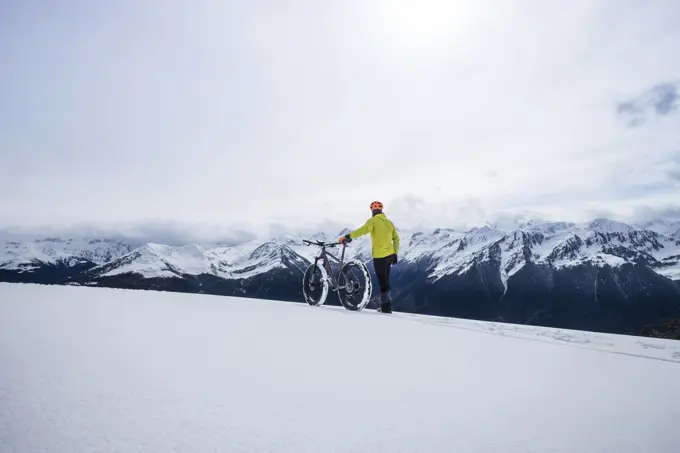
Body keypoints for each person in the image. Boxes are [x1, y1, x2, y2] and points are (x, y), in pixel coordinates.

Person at [338, 201, 399, 313]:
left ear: (372, 211)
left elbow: (363, 230)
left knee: (383, 282)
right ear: (381, 210)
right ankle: (386, 306)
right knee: (386, 280)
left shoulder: (373, 221)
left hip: (379, 256)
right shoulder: (389, 223)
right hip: (390, 255)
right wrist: (395, 253)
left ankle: (386, 308)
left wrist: (348, 236)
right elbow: (396, 238)